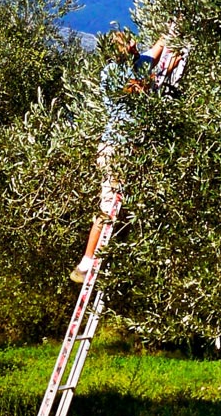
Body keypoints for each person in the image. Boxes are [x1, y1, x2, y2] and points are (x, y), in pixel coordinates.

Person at [70, 29, 180, 285]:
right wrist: (159, 76)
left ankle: (109, 259)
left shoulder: (139, 62)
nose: (132, 46)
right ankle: (86, 264)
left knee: (122, 209)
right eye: (126, 45)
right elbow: (136, 89)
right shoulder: (112, 74)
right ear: (117, 54)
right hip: (116, 148)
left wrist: (174, 27)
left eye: (131, 42)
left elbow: (160, 46)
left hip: (128, 148)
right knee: (108, 207)